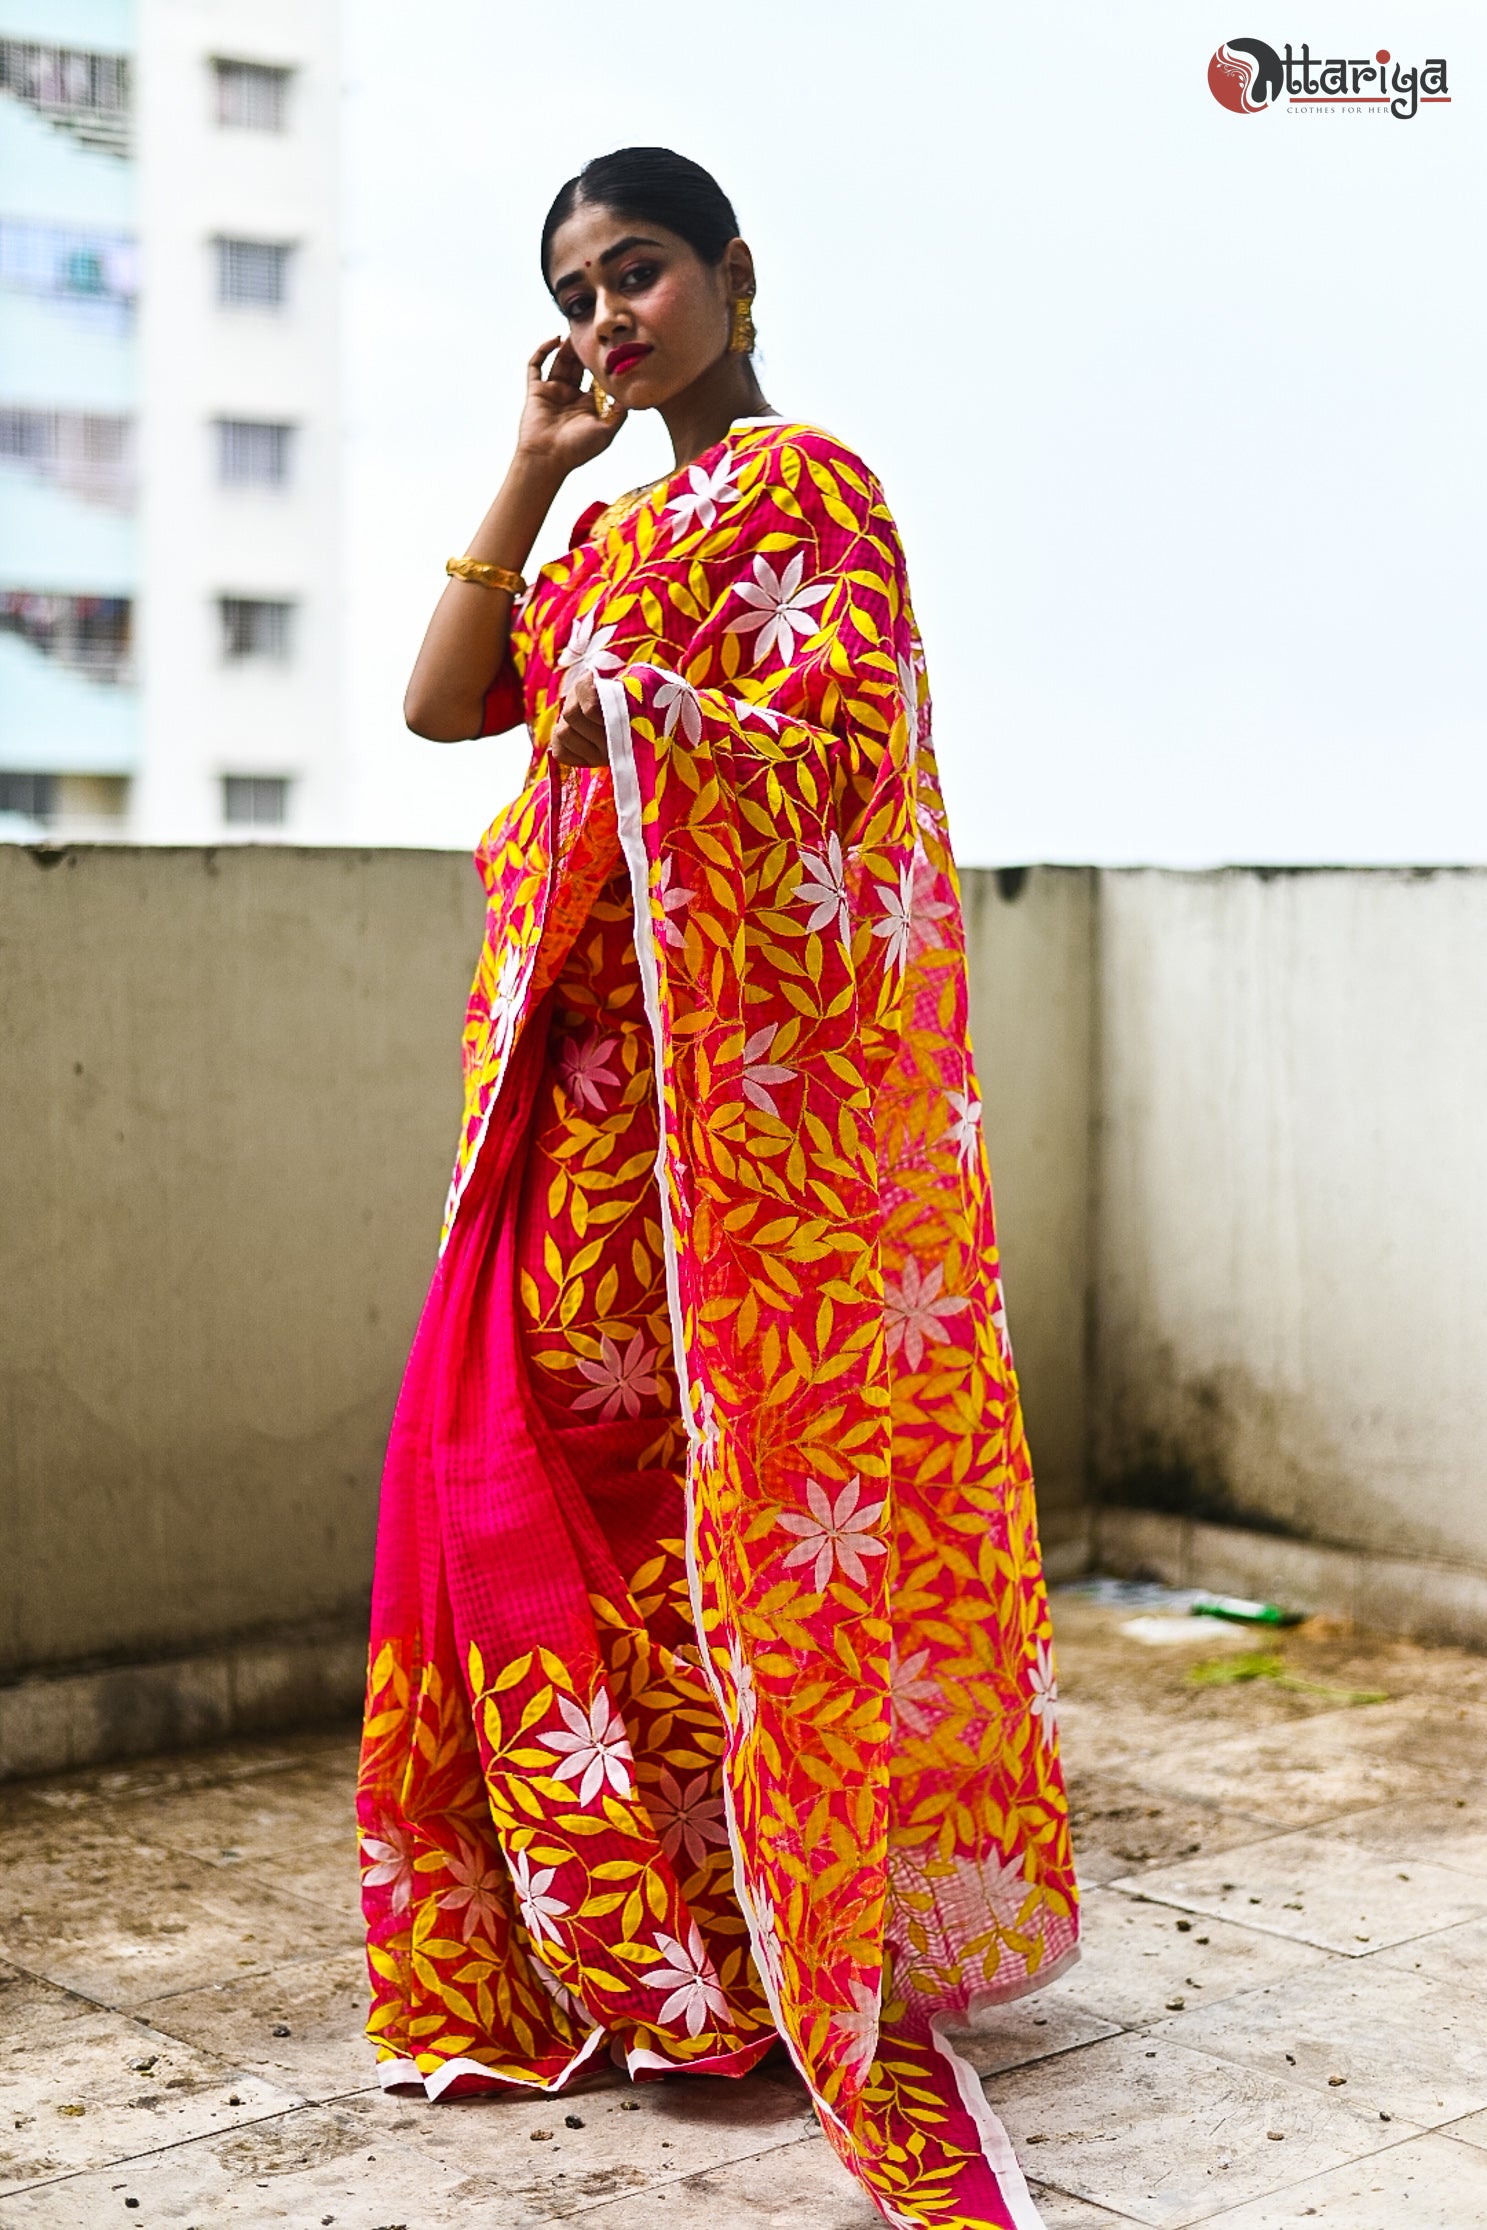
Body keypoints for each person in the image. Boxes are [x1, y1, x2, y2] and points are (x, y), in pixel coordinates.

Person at [359, 145, 1078, 2230]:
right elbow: (436, 706)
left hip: (725, 1127)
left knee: (712, 1532)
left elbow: (848, 740)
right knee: (512, 1498)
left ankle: (763, 1948)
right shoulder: (590, 526)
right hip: (562, 1112)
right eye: (578, 290)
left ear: (736, 273)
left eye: (642, 272)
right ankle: (648, 1948)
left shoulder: (816, 488)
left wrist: (646, 715)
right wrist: (528, 458)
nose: (611, 316)